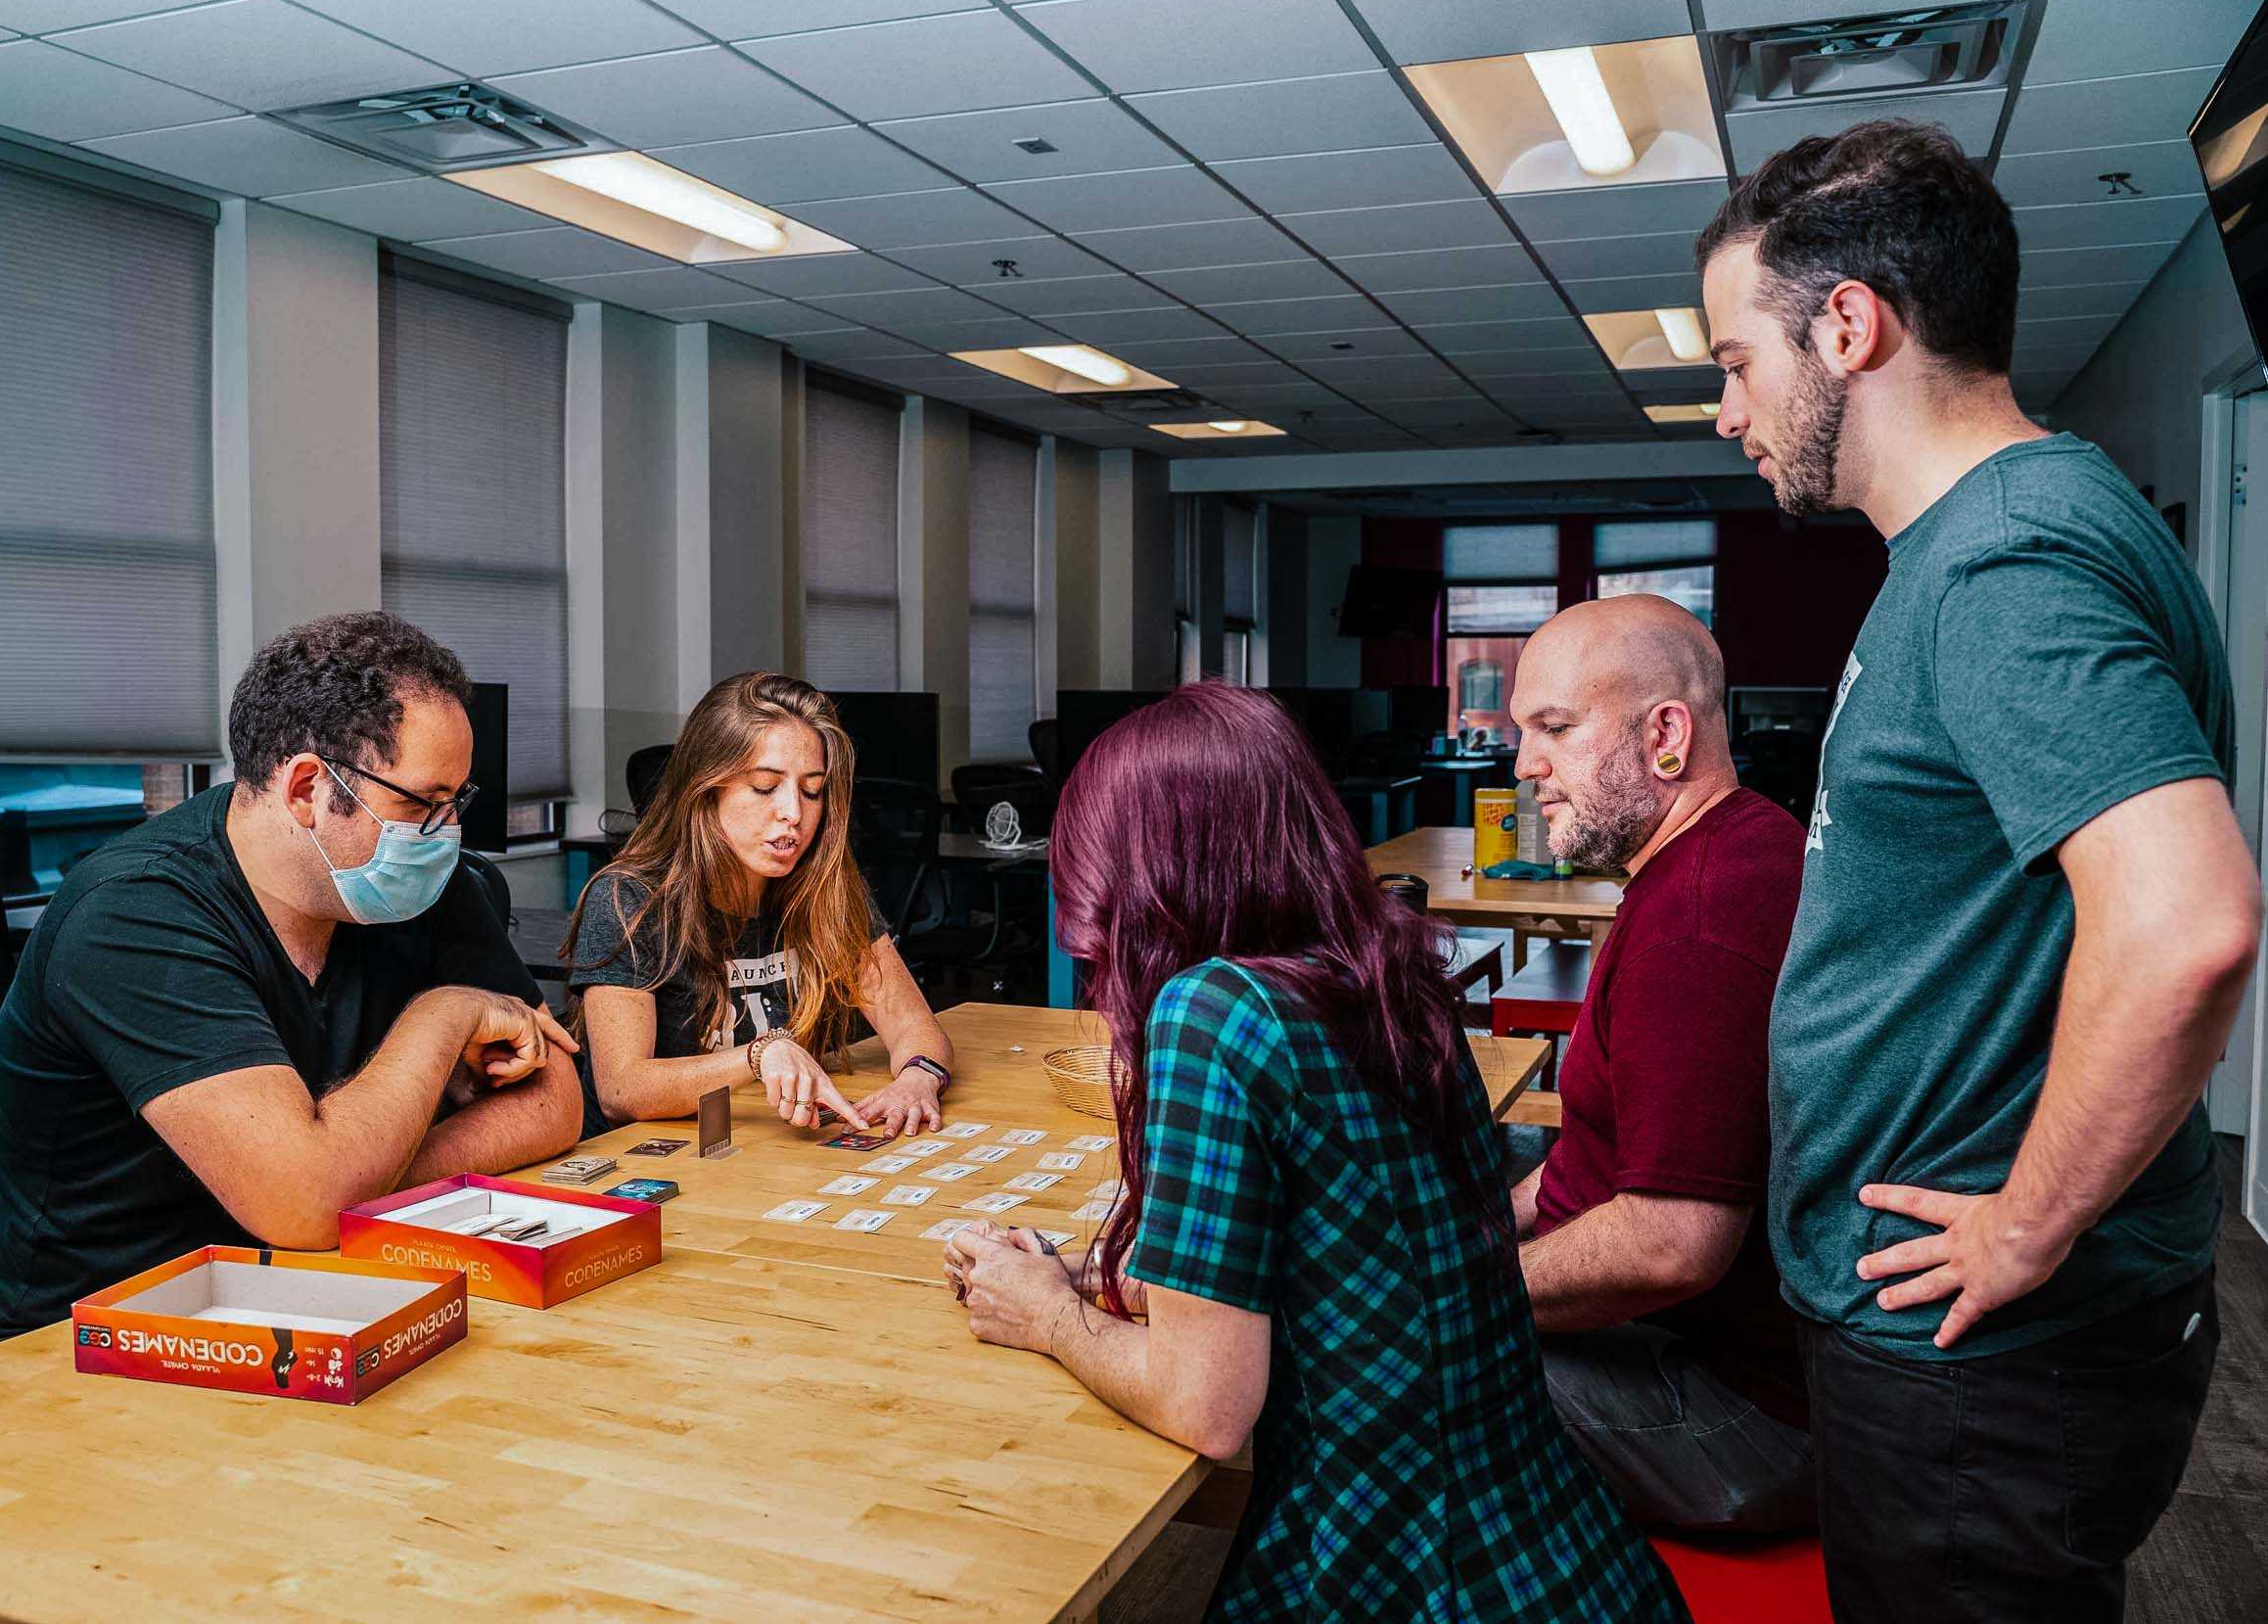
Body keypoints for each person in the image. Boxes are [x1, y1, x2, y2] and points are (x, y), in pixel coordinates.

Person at [1700, 119, 2261, 1618]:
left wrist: (2028, 1219)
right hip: (1967, 1340)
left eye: (1734, 362)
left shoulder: (2006, 563)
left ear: (1847, 324)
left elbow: (2190, 918)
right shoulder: (1999, 536)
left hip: (1982, 1356)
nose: (1723, 410)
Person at [942, 681, 1686, 1624]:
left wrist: (1048, 1313)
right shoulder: (1386, 974)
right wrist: (1126, 1276)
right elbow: (1343, 1247)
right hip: (1557, 1556)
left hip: (1404, 1574)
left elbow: (1207, 1407)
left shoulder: (1215, 1010)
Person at [0, 612, 582, 1344]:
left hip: (321, 1296)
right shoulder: (135, 912)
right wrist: (444, 1017)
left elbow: (557, 1098)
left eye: (458, 802)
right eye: (423, 803)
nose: (444, 831)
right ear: (305, 789)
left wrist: (362, 1168)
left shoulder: (416, 877)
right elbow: (306, 1200)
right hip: (103, 1336)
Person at [1504, 595, 1814, 1532]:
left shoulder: (1701, 921)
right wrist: (1465, 1231)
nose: (1525, 767)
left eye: (1554, 729)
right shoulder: (1731, 844)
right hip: (1720, 1357)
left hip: (1740, 1417)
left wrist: (1444, 1288)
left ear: (1666, 734)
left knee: (1365, 1361)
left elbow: (1670, 1242)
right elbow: (1591, 1162)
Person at [569, 673, 952, 1138]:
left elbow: (916, 1028)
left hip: (767, 1147)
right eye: (766, 786)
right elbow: (621, 1091)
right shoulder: (628, 898)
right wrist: (760, 1053)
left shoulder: (826, 888)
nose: (794, 811)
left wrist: (918, 1078)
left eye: (812, 790)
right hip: (649, 1164)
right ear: (706, 789)